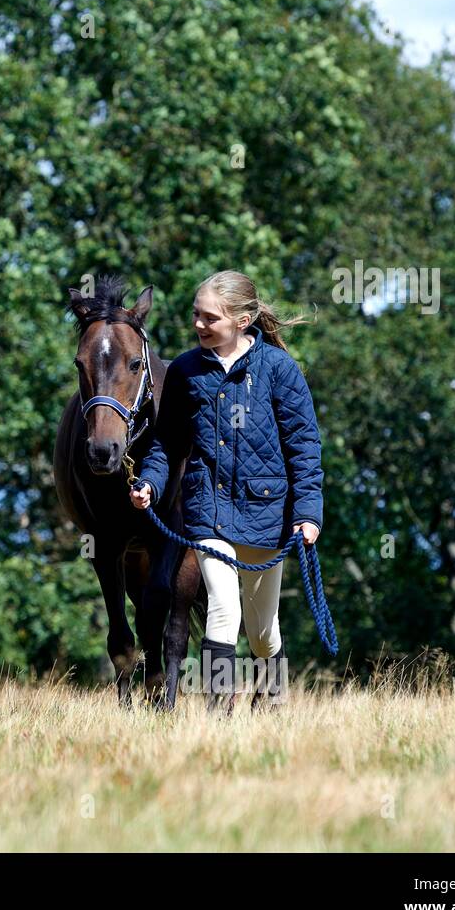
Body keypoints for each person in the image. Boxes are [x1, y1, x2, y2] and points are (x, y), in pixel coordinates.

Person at [129, 270, 322, 712]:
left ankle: (271, 699)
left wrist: (308, 513)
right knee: (222, 609)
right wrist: (151, 485)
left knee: (262, 631)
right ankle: (217, 716)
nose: (198, 324)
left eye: (209, 317)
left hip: (268, 515)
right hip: (207, 510)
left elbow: (305, 447)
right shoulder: (184, 371)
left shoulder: (279, 370)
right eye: (196, 314)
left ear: (243, 319)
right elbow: (166, 445)